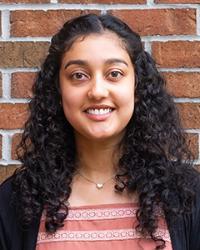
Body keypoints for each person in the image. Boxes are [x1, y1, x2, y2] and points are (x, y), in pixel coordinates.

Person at [0, 13, 199, 250]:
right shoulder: (16, 200)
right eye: (79, 76)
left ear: (137, 86)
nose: (97, 91)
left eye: (114, 74)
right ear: (58, 90)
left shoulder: (187, 194)